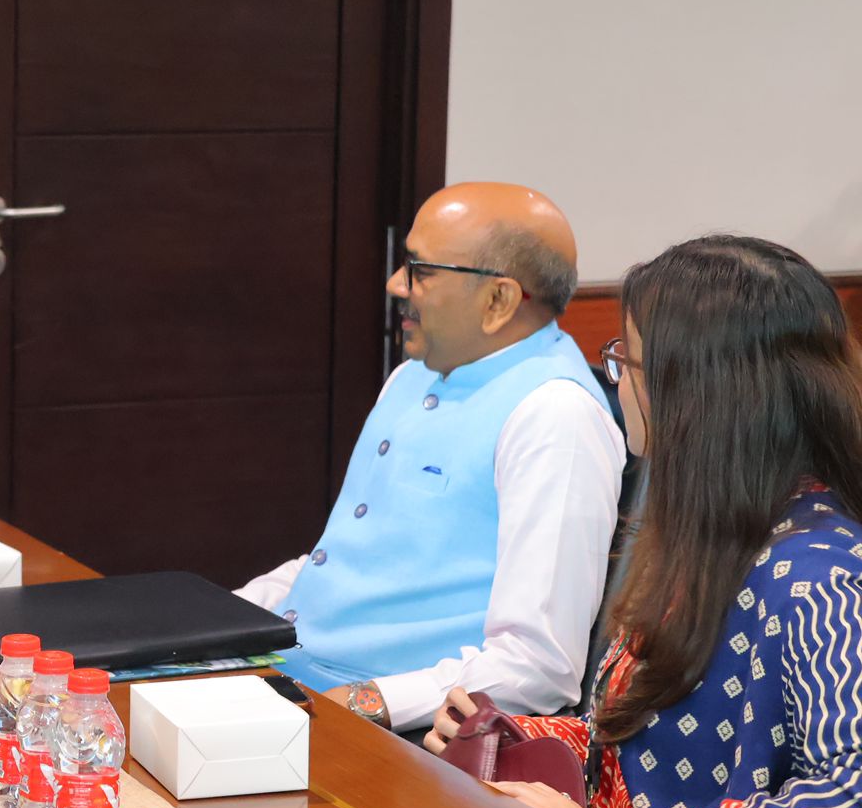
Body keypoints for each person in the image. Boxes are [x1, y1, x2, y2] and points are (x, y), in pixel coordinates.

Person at [426, 235, 862, 808]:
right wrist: (519, 736)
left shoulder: (822, 578)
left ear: (694, 394)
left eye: (622, 360)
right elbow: (653, 750)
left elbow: (849, 804)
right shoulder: (717, 530)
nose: (617, 383)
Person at [237, 182, 625, 731]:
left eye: (420, 270)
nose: (397, 285)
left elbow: (538, 665)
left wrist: (369, 702)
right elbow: (346, 564)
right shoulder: (412, 376)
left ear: (499, 300)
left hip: (388, 726)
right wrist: (217, 621)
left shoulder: (556, 415)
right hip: (291, 677)